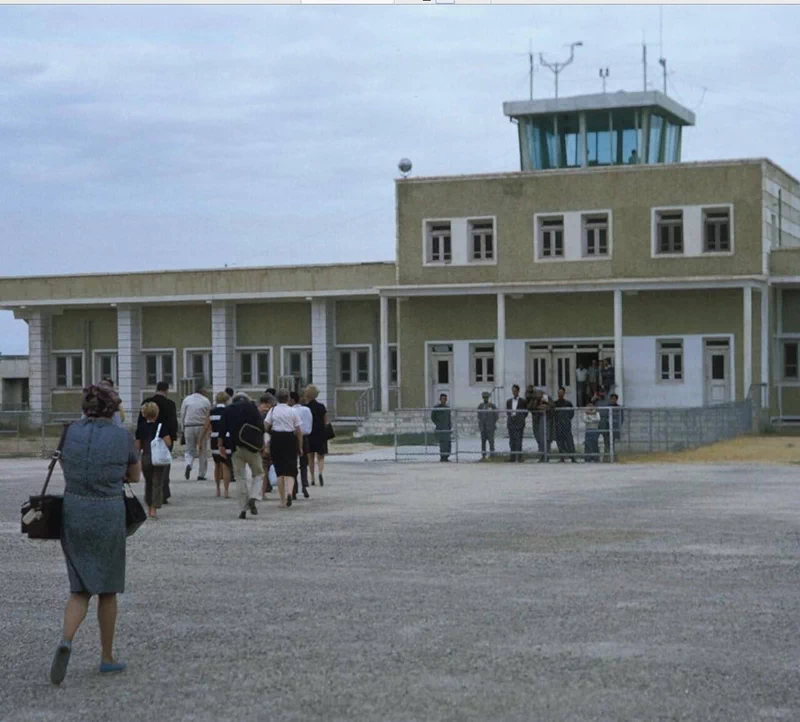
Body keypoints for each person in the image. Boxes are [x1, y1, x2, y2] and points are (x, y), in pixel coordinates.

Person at [50, 384, 141, 685]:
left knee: (79, 587)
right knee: (108, 587)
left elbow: (63, 464)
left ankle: (66, 639)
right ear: (112, 408)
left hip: (74, 508)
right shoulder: (122, 436)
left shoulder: (69, 432)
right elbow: (134, 476)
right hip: (107, 510)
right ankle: (106, 656)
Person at [218, 393, 265, 520]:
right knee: (258, 474)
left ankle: (243, 508)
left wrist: (221, 445)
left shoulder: (228, 409)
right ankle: (254, 496)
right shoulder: (252, 408)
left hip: (235, 447)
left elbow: (222, 429)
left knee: (240, 478)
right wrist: (262, 445)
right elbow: (261, 427)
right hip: (252, 446)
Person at [138, 382, 178, 504]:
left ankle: (149, 496)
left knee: (148, 470)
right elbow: (173, 422)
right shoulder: (170, 404)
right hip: (164, 437)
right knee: (163, 466)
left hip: (147, 439)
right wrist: (173, 437)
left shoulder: (147, 402)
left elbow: (140, 421)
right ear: (166, 390)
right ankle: (163, 493)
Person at [265, 390, 304, 507]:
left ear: (276, 399)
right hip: (289, 439)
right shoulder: (293, 411)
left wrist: (268, 439)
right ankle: (289, 493)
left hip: (277, 439)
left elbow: (265, 426)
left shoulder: (273, 410)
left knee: (279, 471)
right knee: (291, 469)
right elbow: (299, 431)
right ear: (288, 399)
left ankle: (282, 500)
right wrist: (300, 446)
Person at [135, 401, 172, 518]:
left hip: (146, 456)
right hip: (158, 458)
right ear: (156, 414)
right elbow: (168, 442)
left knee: (148, 482)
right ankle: (153, 509)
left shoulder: (140, 427)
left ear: (144, 414)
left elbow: (137, 446)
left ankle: (148, 503)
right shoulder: (161, 427)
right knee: (157, 483)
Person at [180, 381, 211, 481]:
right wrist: (209, 431)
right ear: (202, 390)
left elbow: (182, 414)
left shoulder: (187, 399)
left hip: (189, 426)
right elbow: (208, 416)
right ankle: (201, 474)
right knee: (203, 450)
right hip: (201, 426)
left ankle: (188, 463)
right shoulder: (206, 401)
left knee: (190, 449)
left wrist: (182, 428)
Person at [206, 391, 232, 498]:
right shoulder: (229, 411)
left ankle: (217, 489)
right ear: (226, 400)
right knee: (226, 465)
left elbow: (207, 425)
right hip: (226, 438)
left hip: (214, 438)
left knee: (217, 465)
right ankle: (226, 490)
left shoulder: (212, 412)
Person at [305, 385, 329, 486]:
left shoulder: (305, 408)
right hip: (321, 433)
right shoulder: (321, 406)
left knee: (310, 457)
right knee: (321, 456)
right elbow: (325, 420)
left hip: (310, 434)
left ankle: (312, 478)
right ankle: (320, 472)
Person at [290, 391, 312, 498]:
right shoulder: (307, 410)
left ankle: (294, 487)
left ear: (292, 400)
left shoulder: (291, 411)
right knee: (304, 464)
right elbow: (309, 423)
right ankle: (304, 485)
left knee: (293, 463)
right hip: (305, 437)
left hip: (293, 438)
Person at [258, 393, 276, 498]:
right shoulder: (268, 413)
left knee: (261, 469)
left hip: (256, 442)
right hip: (267, 442)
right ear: (269, 403)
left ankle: (261, 492)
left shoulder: (256, 411)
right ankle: (263, 492)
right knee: (265, 468)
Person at [553, 387, 576, 462]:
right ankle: (562, 457)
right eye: (559, 393)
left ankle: (573, 457)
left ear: (564, 393)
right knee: (560, 441)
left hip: (566, 425)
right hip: (558, 426)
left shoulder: (568, 403)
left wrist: (565, 420)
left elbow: (571, 414)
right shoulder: (555, 403)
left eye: (561, 392)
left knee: (569, 441)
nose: (560, 394)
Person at [531, 389, 554, 462]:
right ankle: (541, 456)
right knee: (540, 440)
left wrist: (547, 403)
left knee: (547, 440)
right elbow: (532, 408)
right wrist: (537, 403)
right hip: (538, 422)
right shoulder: (535, 400)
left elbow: (553, 407)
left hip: (547, 421)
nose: (539, 395)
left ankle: (547, 456)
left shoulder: (548, 399)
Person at [506, 385, 527, 462]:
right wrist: (511, 418)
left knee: (518, 440)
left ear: (518, 391)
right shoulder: (508, 401)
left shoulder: (523, 401)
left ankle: (519, 457)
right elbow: (508, 412)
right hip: (511, 422)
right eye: (513, 391)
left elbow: (525, 413)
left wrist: (520, 418)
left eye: (515, 391)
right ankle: (512, 457)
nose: (514, 392)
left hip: (519, 422)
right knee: (512, 440)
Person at [477, 391, 498, 460]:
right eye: (484, 397)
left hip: (490, 427)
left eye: (486, 397)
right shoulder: (480, 406)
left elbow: (496, 416)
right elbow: (479, 416)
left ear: (488, 398)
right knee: (483, 442)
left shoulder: (492, 406)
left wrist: (492, 423)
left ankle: (492, 455)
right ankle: (483, 456)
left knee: (491, 442)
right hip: (483, 427)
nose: (485, 399)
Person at [431, 393, 452, 462]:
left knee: (448, 443)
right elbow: (433, 417)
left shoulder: (447, 408)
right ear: (440, 399)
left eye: (445, 399)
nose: (443, 400)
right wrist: (438, 424)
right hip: (440, 428)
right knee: (443, 443)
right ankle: (442, 457)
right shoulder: (436, 408)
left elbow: (449, 418)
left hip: (447, 428)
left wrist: (450, 426)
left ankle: (446, 456)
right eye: (442, 399)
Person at [594, 387, 611, 462]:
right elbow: (589, 405)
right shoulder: (596, 401)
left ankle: (607, 457)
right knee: (595, 439)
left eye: (603, 392)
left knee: (606, 440)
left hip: (605, 420)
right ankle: (595, 457)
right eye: (600, 392)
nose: (602, 393)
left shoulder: (608, 401)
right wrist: (593, 399)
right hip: (597, 420)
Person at [608, 393, 624, 457]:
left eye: (614, 399)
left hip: (615, 427)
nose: (613, 400)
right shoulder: (608, 407)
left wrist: (618, 425)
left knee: (614, 441)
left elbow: (621, 418)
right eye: (612, 399)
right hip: (608, 427)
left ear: (616, 399)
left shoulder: (618, 407)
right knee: (608, 441)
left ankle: (614, 455)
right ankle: (608, 455)